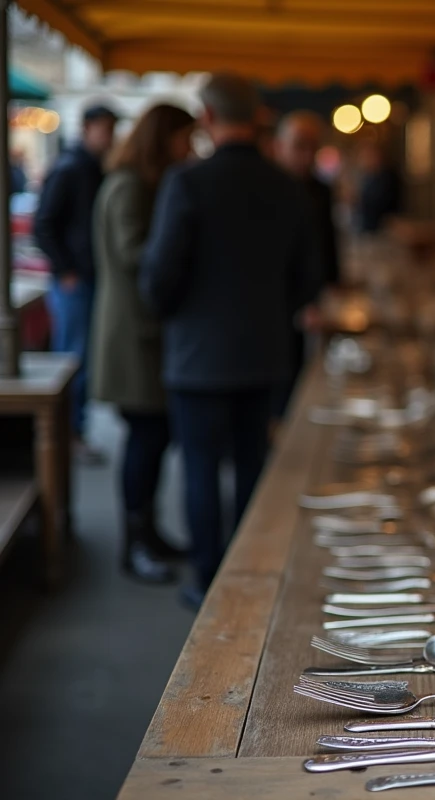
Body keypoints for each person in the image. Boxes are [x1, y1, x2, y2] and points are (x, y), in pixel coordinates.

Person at [140, 74, 321, 609]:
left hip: (197, 354)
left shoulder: (187, 183)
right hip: (265, 352)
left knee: (198, 470)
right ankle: (250, 579)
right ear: (258, 117)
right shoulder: (286, 185)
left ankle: (205, 581)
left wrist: (181, 312)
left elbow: (158, 280)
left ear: (208, 118)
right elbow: (308, 280)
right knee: (251, 470)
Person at [91, 103, 195, 584]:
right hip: (133, 334)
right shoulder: (130, 184)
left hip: (144, 331)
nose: (189, 148)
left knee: (152, 439)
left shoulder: (140, 181)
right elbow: (134, 254)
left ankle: (148, 533)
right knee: (145, 439)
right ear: (163, 137)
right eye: (183, 138)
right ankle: (134, 544)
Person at [33, 103, 118, 464]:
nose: (109, 136)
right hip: (74, 280)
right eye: (104, 129)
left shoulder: (96, 167)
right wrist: (65, 269)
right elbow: (44, 223)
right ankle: (69, 433)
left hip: (88, 277)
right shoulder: (69, 168)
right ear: (87, 128)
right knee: (73, 359)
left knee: (81, 357)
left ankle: (74, 430)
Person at [272, 110, 341, 420]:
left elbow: (327, 242)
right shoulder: (268, 188)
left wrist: (326, 288)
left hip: (307, 294)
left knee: (299, 371)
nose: (307, 154)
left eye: (312, 146)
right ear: (279, 145)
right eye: (299, 145)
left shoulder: (320, 189)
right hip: (272, 299)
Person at [357, 141, 400, 233]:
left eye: (368, 156)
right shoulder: (369, 177)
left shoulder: (387, 177)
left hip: (384, 230)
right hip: (369, 228)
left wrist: (356, 198)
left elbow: (380, 203)